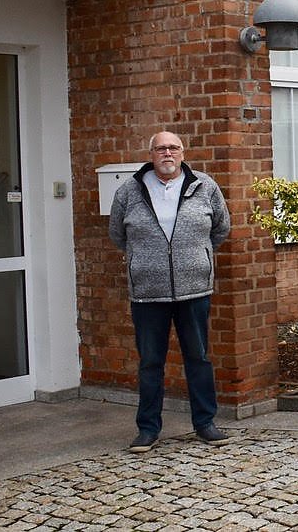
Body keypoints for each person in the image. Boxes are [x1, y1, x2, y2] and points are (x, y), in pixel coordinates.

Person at [109, 130, 232, 451]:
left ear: (182, 153)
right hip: (148, 292)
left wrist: (195, 257)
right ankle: (148, 429)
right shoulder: (129, 190)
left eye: (173, 148)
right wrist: (145, 261)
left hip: (194, 290)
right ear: (151, 154)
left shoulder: (204, 186)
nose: (168, 153)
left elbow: (221, 228)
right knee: (150, 362)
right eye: (161, 148)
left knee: (199, 358)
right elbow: (117, 234)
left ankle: (205, 423)